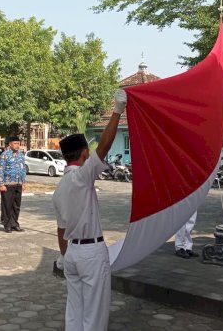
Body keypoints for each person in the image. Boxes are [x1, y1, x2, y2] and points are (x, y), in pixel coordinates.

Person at [53, 89, 125, 331]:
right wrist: (117, 110)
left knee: (75, 310)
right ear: (85, 152)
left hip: (71, 252)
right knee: (94, 314)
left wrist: (64, 257)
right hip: (90, 252)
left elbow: (61, 229)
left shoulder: (60, 187)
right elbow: (104, 146)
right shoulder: (82, 176)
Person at [0, 137, 27, 233]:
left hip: (18, 183)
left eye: (18, 143)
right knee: (7, 205)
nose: (17, 145)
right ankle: (7, 224)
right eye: (15, 143)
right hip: (7, 184)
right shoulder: (5, 155)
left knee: (16, 205)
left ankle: (15, 223)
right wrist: (1, 184)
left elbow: (23, 169)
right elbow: (0, 170)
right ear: (10, 144)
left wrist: (23, 182)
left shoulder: (21, 155)